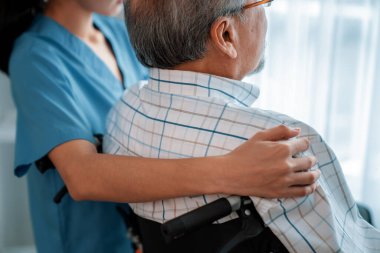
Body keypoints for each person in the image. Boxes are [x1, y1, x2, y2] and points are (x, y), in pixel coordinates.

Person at [0, 0, 320, 252]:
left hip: (147, 229)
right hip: (89, 239)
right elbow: (82, 176)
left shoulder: (115, 35)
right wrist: (234, 171)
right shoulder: (34, 57)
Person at [104, 0, 380, 252]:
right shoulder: (279, 143)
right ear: (225, 35)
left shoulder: (123, 108)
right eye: (262, 3)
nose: (266, 11)